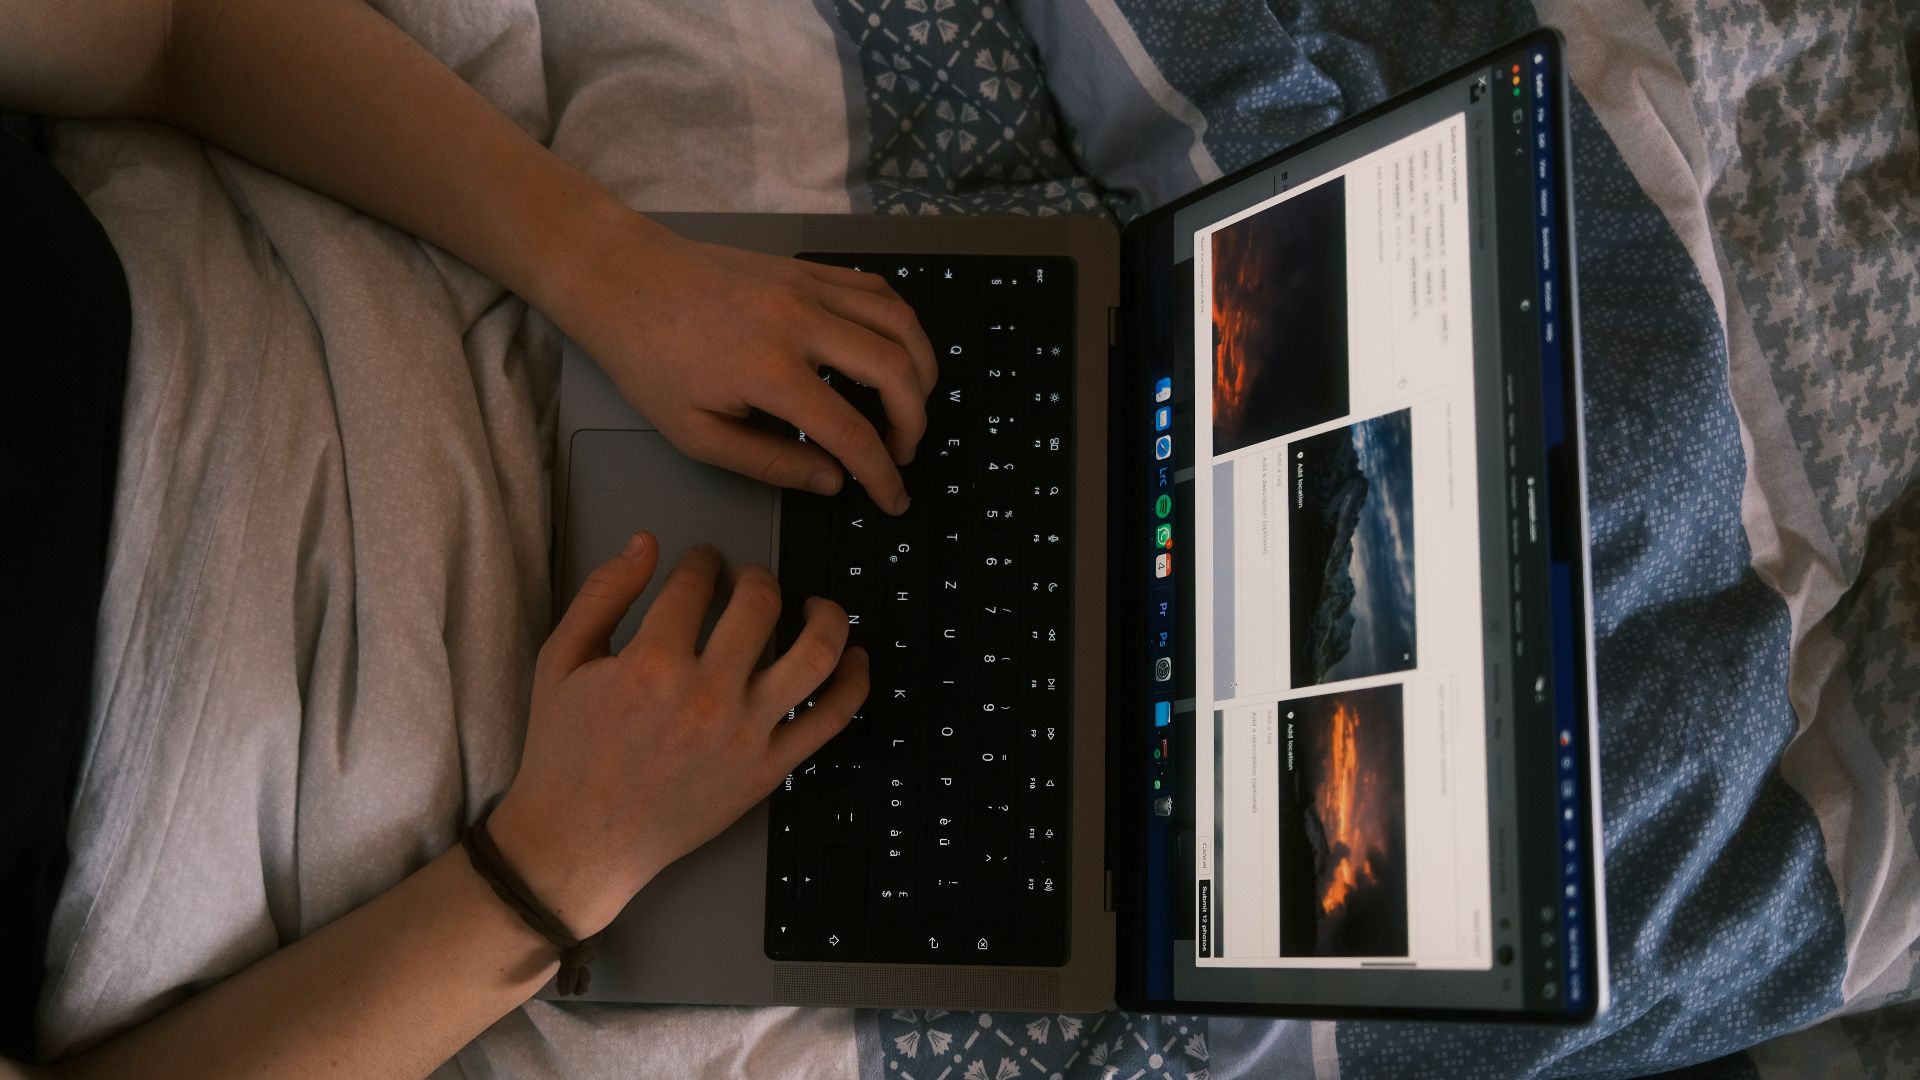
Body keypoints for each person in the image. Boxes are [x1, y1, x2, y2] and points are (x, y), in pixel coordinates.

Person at [0, 1, 934, 1075]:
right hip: (455, 834)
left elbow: (165, 30)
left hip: (388, 260)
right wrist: (555, 862)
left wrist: (615, 271)